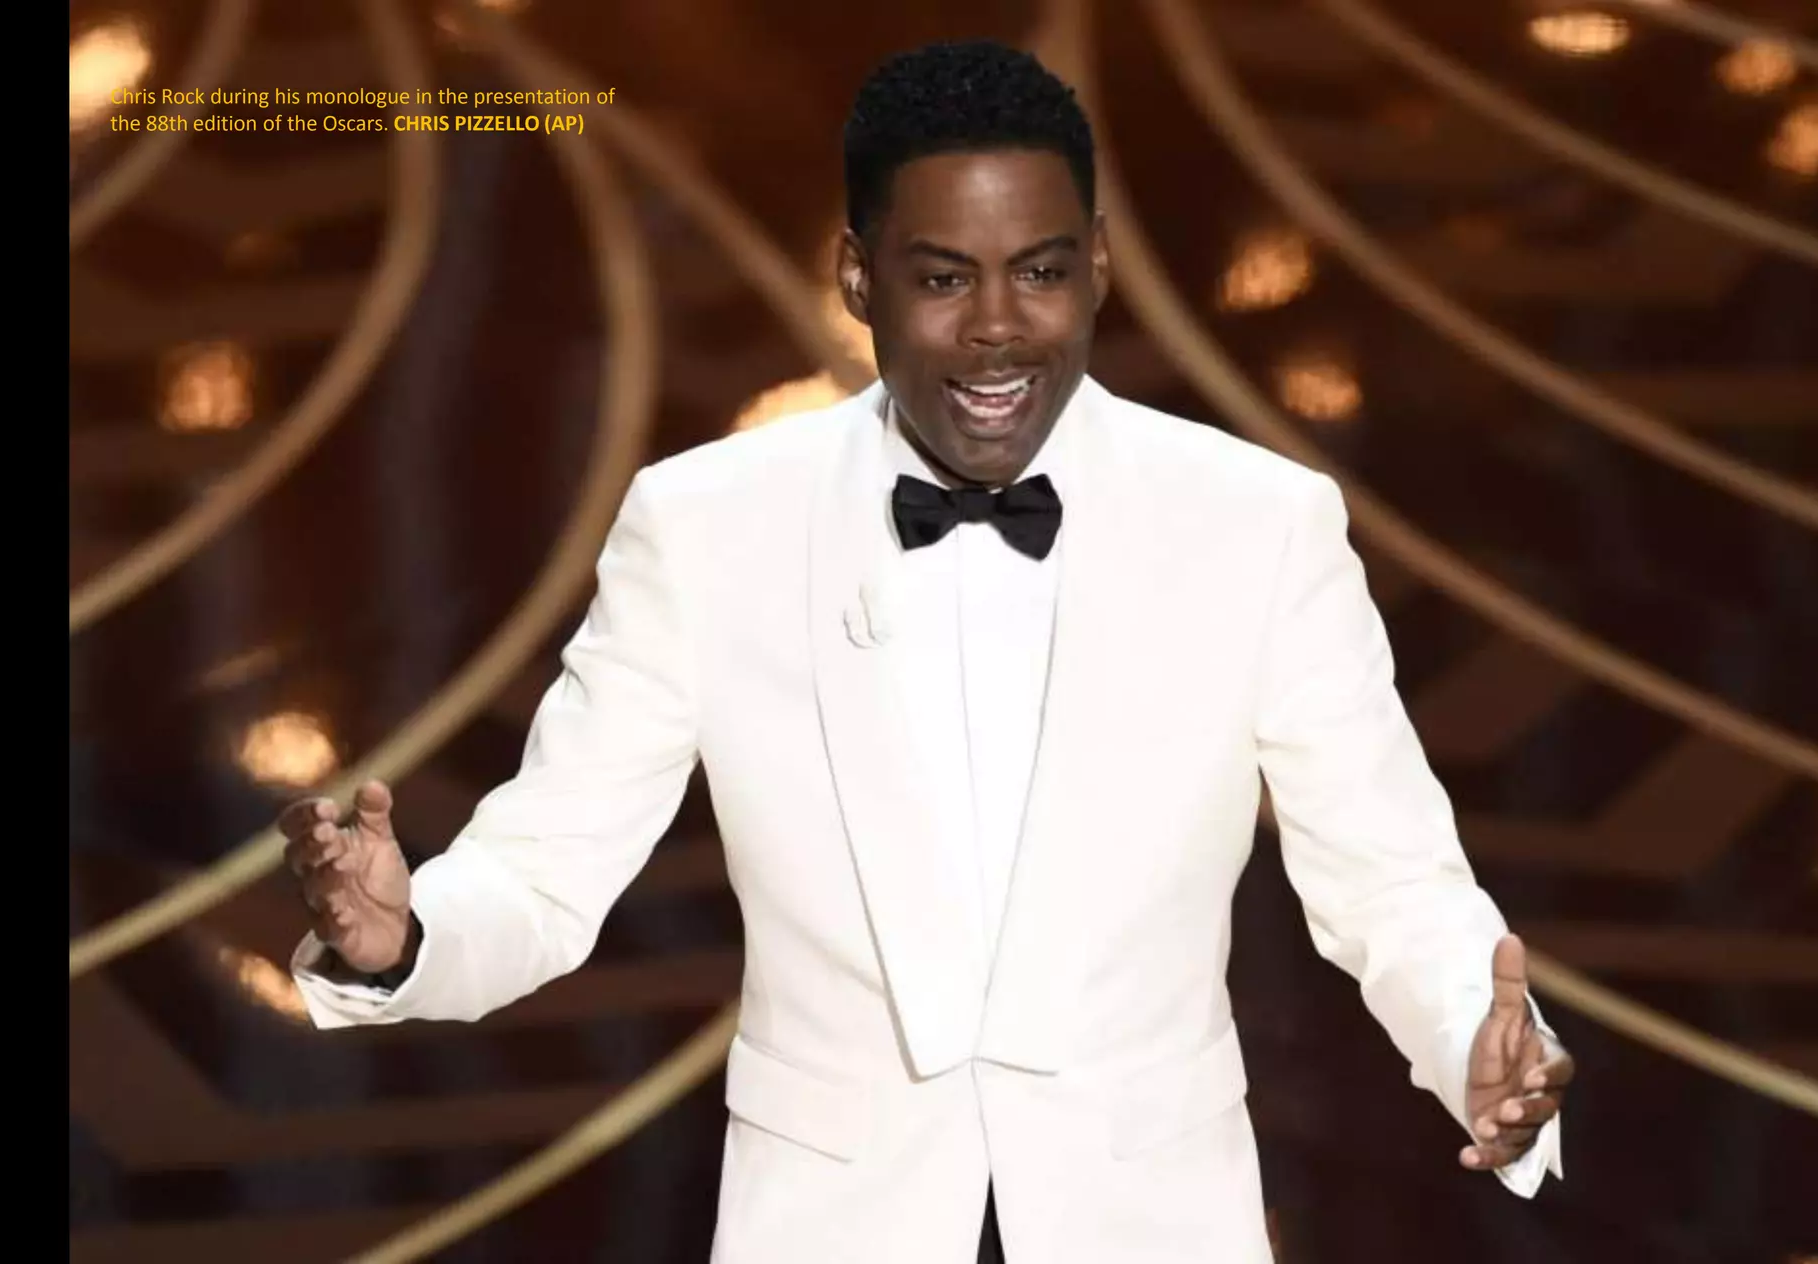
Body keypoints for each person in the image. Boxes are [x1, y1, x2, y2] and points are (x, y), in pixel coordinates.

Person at [285, 40, 1570, 1264]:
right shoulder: (705, 526)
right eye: (944, 276)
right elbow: (546, 877)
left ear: (1103, 267)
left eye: (1043, 271)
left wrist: (1475, 1041)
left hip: (1147, 1220)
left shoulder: (1258, 524)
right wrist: (401, 938)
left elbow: (1390, 879)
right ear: (857, 277)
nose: (1000, 327)